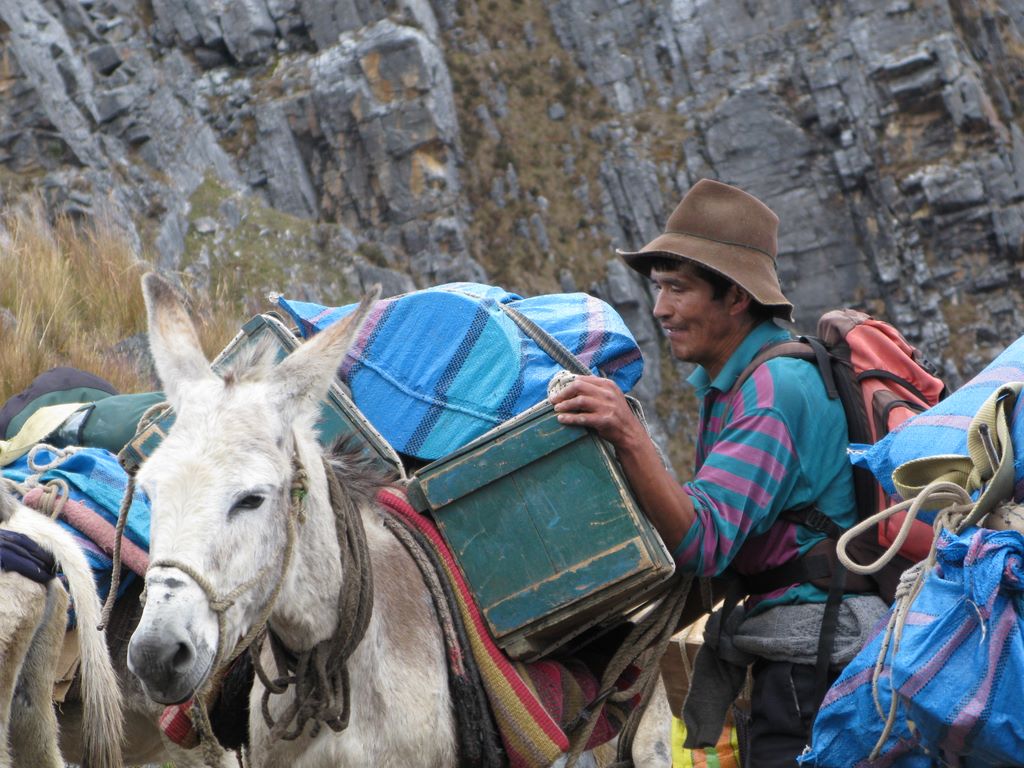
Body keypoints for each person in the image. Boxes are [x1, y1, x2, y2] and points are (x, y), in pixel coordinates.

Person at [548, 179, 888, 766]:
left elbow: (705, 543)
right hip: (796, 653)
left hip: (816, 662)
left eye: (678, 290)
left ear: (735, 297)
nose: (661, 310)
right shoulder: (735, 382)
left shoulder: (774, 391)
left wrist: (629, 436)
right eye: (659, 288)